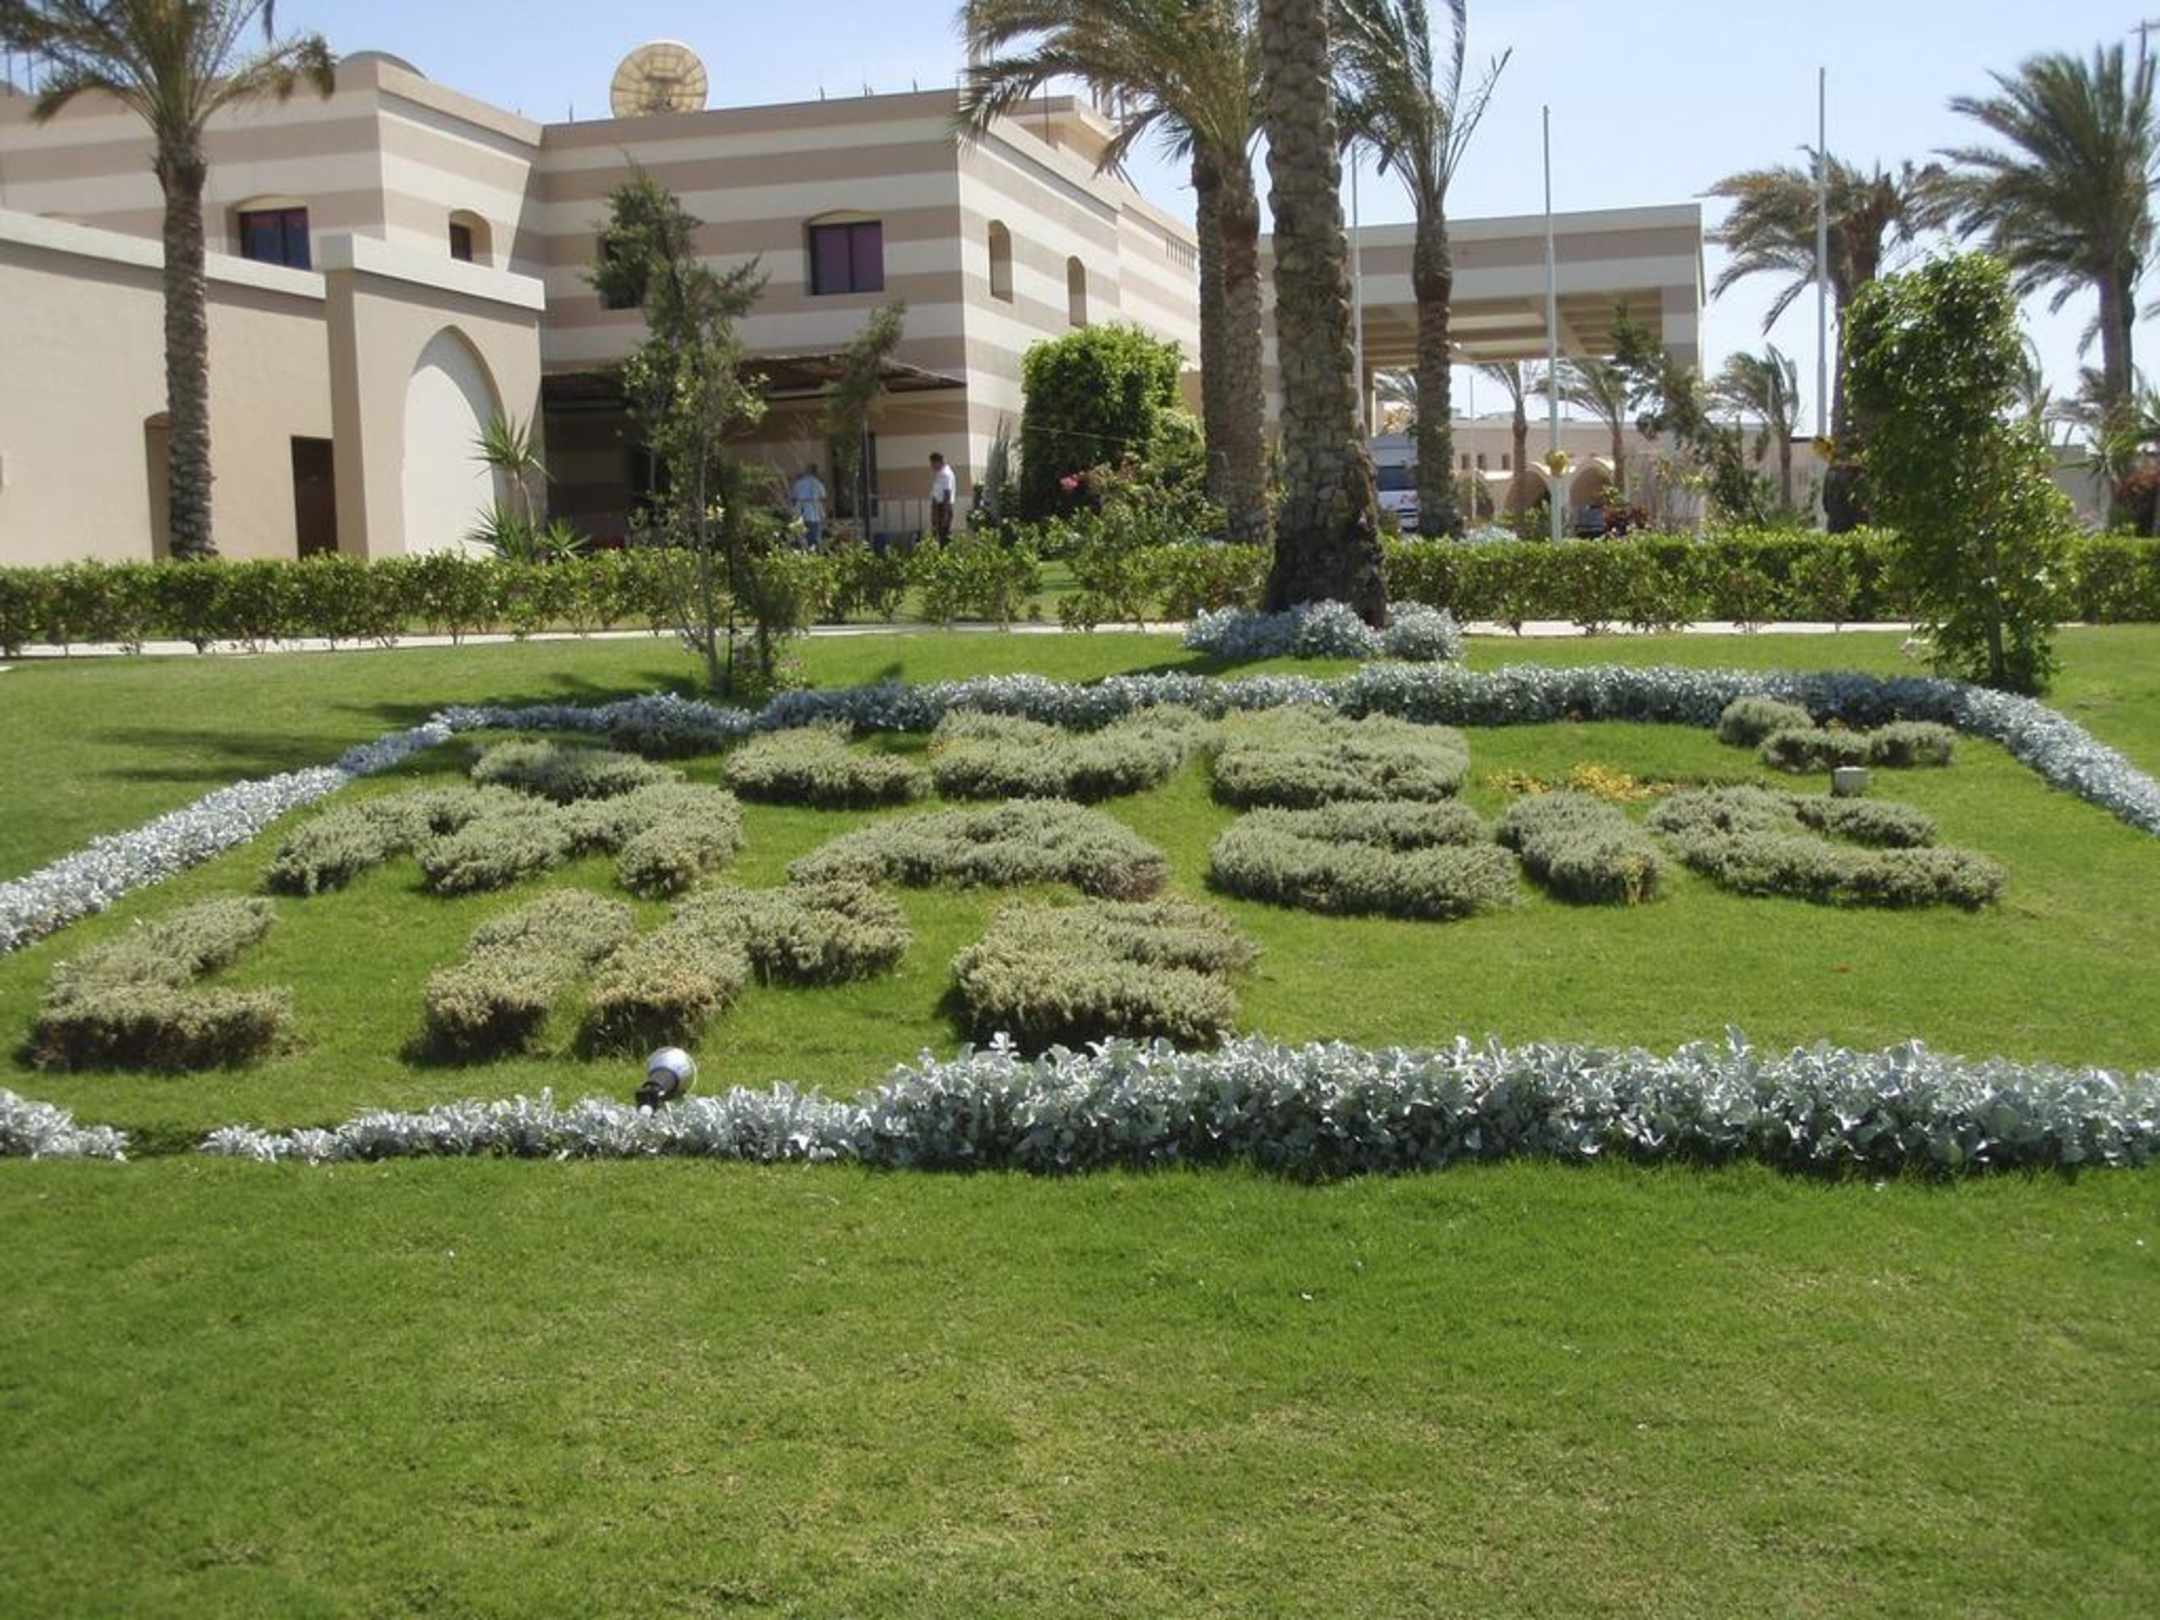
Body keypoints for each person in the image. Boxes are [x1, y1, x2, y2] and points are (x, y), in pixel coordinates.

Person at [789, 464, 829, 551]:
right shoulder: (818, 483)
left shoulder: (798, 483)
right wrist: (823, 513)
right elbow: (823, 498)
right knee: (814, 538)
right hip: (814, 513)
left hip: (800, 512)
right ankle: (814, 552)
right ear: (815, 472)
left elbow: (793, 498)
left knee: (800, 537)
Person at [928, 451, 956, 543]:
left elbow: (947, 494)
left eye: (933, 463)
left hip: (943, 507)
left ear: (938, 462)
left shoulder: (945, 474)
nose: (932, 466)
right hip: (940, 507)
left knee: (944, 536)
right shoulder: (940, 474)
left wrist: (945, 515)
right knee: (940, 536)